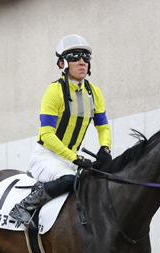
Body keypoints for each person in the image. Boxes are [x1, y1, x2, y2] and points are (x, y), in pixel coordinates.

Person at [9, 34, 112, 227]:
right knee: (69, 180)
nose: (82, 61)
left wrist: (105, 148)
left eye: (86, 57)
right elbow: (47, 135)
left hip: (70, 158)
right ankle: (24, 206)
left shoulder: (95, 92)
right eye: (74, 57)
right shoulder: (54, 91)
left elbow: (103, 127)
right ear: (62, 63)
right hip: (46, 156)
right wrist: (75, 158)